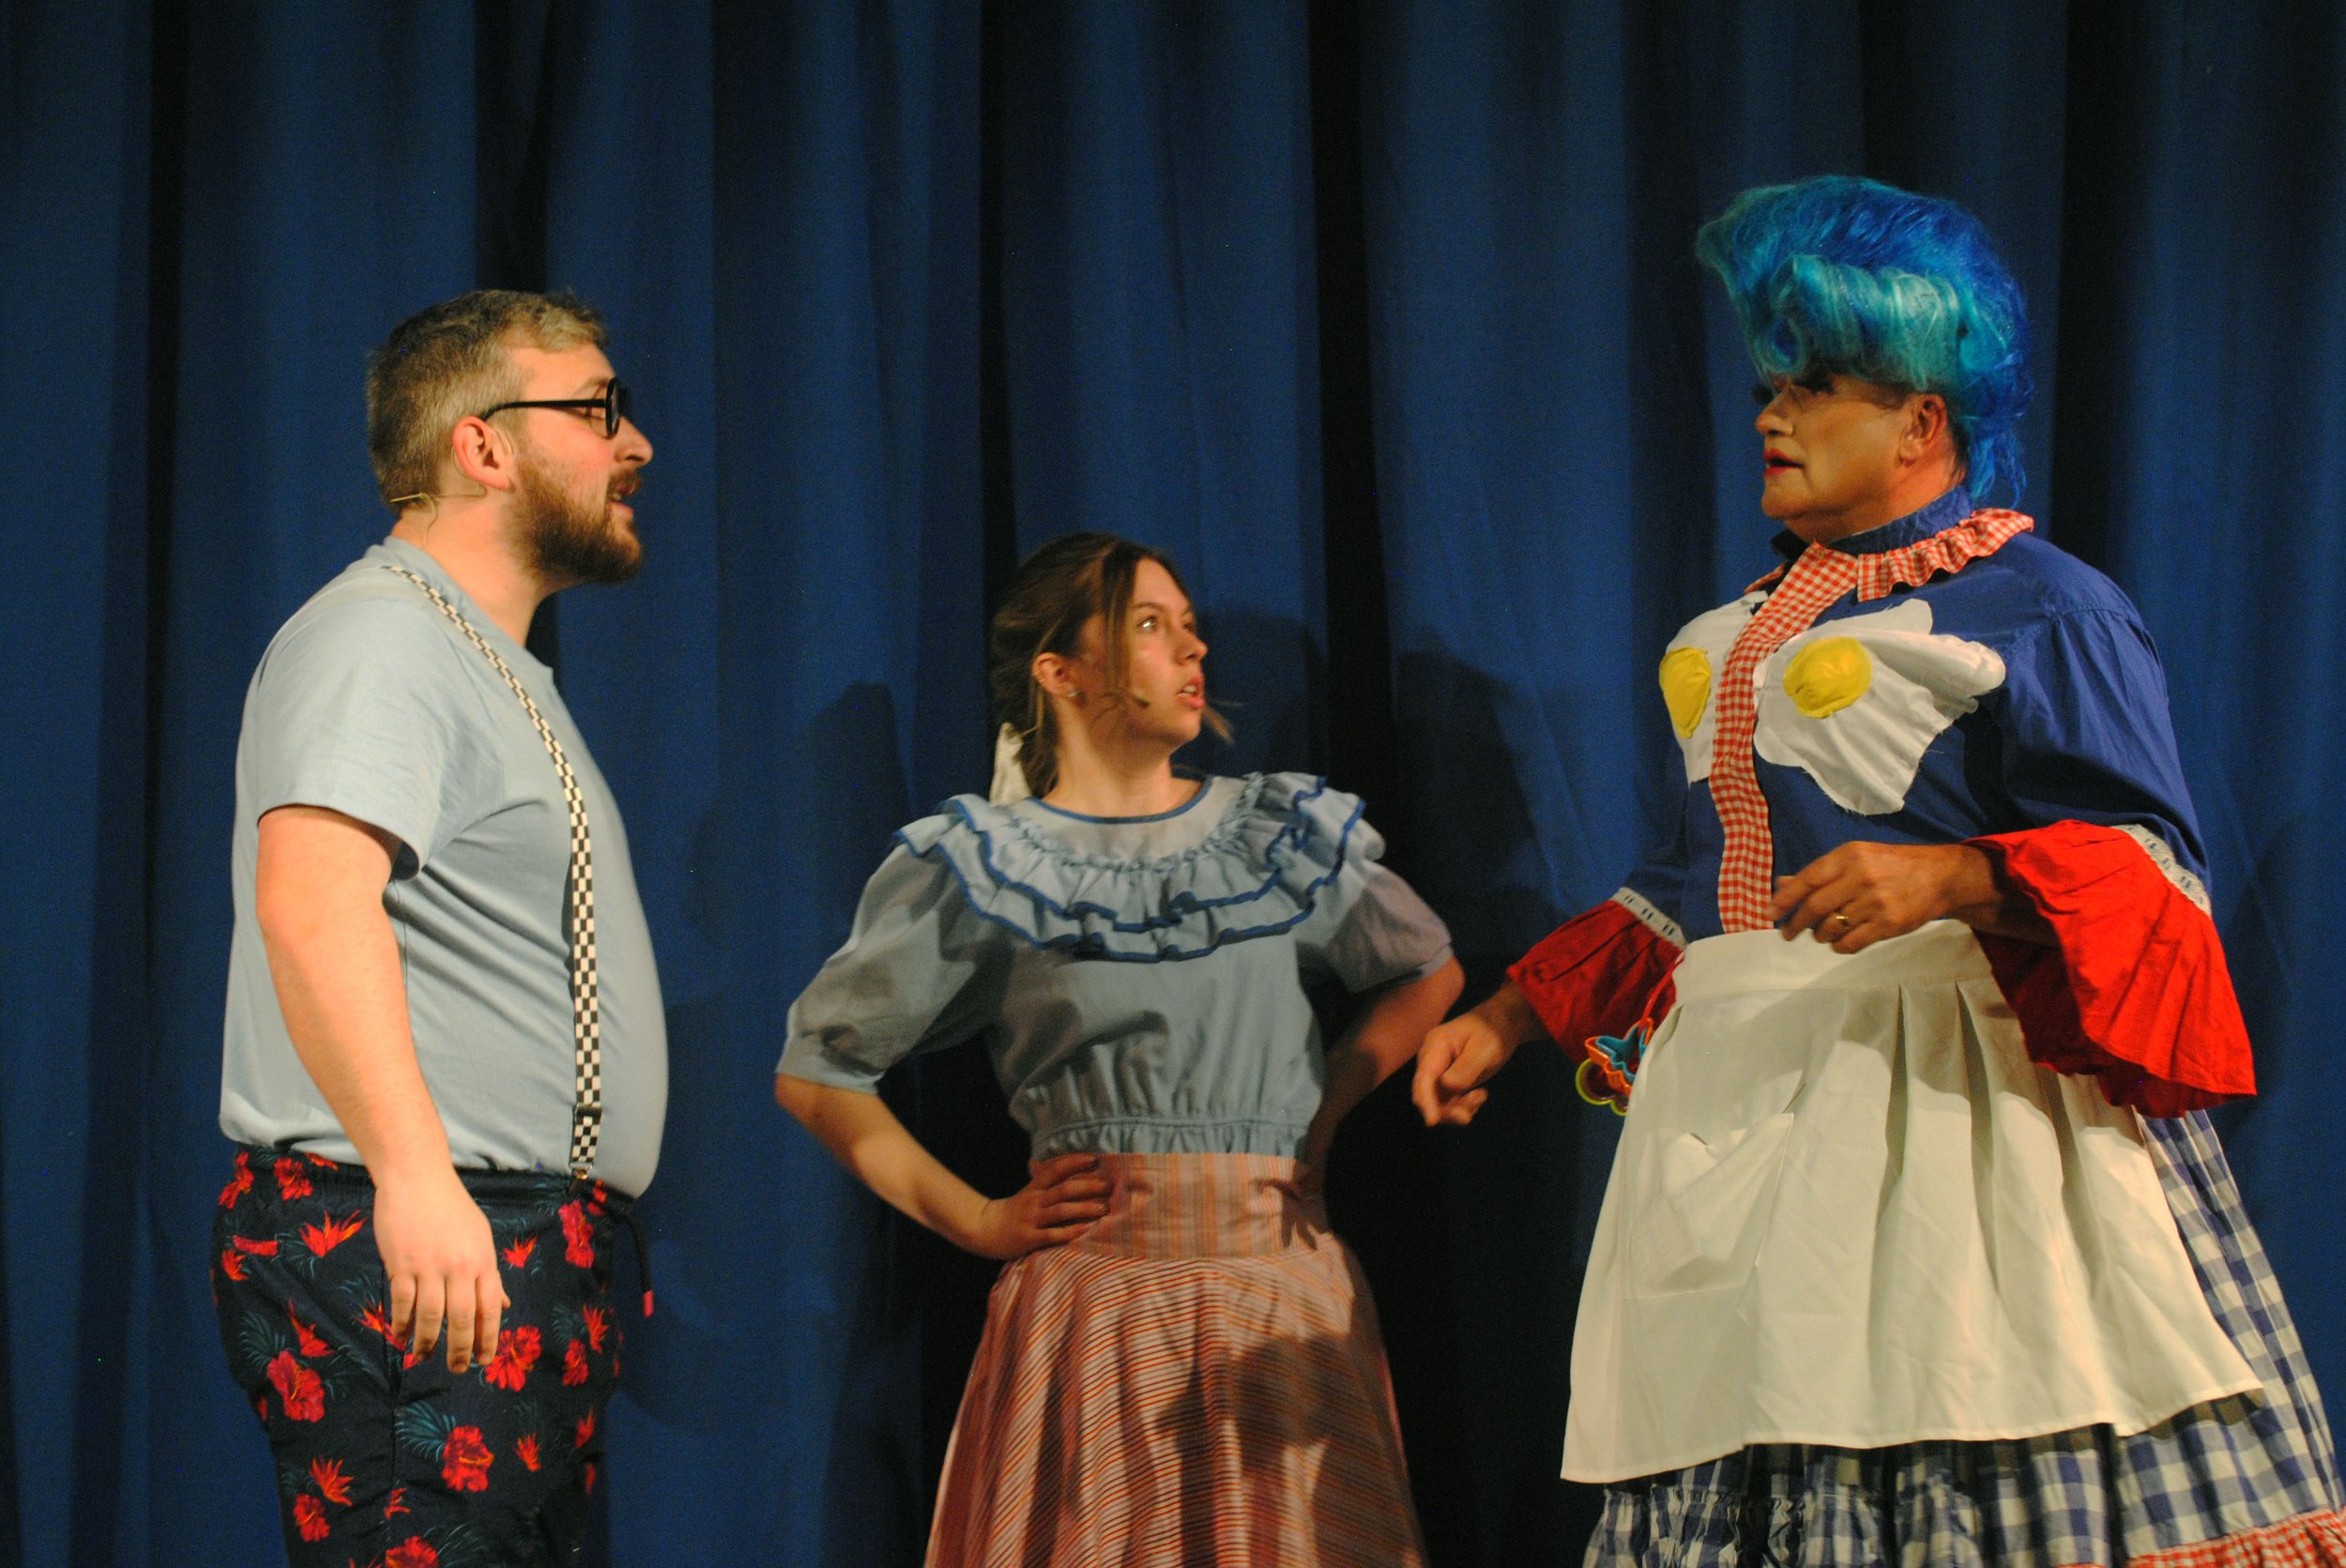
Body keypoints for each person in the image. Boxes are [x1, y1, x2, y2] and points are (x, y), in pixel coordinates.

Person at [1415, 176, 2346, 1566]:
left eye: (1819, 383)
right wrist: (1511, 1012)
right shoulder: (1728, 632)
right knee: (1759, 1418)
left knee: (1967, 1390)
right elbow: (1691, 879)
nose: (1771, 413)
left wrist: (1953, 879)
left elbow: (2154, 870)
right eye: (1770, 381)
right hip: (1745, 1101)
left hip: (1953, 1093)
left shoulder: (2045, 608)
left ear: (1923, 417)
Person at [776, 532, 1463, 1565]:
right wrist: (978, 1219)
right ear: (1059, 672)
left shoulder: (1273, 835)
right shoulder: (987, 863)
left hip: (1277, 1295)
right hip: (1093, 1313)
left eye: (1192, 629)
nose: (1191, 653)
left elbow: (1426, 970)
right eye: (1150, 626)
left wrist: (1321, 1114)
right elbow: (819, 1072)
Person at [212, 289, 665, 1566]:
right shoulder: (384, 638)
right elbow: (310, 901)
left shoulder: (482, 660)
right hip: (414, 1217)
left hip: (510, 1233)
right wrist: (416, 1173)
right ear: (483, 445)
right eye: (597, 410)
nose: (635, 446)